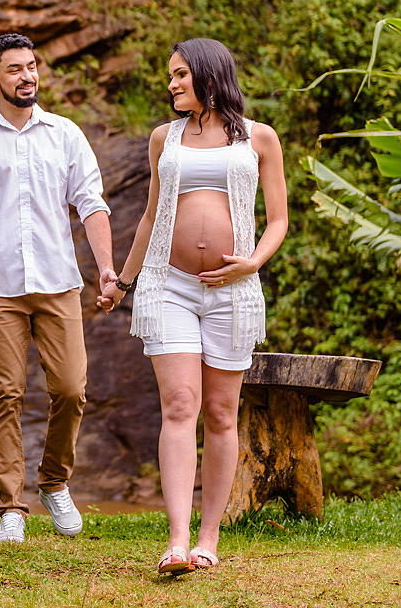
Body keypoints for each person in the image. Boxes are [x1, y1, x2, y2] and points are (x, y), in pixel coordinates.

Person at [99, 38, 287, 575]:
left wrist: (251, 263)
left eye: (181, 75)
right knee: (180, 406)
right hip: (169, 285)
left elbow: (278, 220)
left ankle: (209, 539)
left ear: (208, 74)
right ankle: (177, 542)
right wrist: (123, 283)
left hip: (232, 290)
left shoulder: (258, 138)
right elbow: (151, 216)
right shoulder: (166, 138)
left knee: (222, 415)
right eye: (171, 76)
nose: (172, 84)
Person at [0, 32, 116, 543]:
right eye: (16, 69)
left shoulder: (65, 134)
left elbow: (92, 204)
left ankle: (54, 482)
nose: (28, 76)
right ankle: (12, 504)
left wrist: (106, 269)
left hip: (59, 283)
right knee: (6, 394)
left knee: (71, 389)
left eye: (33, 66)